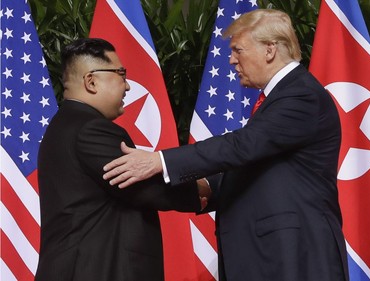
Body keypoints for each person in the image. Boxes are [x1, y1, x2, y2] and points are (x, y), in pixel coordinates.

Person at [102, 9, 350, 281]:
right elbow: (258, 162)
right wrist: (208, 187)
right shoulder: (279, 97)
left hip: (295, 255)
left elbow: (243, 146)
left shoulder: (301, 95)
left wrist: (158, 161)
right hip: (270, 254)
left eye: (238, 50)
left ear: (269, 50)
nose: (231, 60)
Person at [35, 38, 210, 281]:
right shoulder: (90, 128)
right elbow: (145, 188)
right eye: (120, 73)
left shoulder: (65, 125)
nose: (127, 86)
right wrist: (207, 190)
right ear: (91, 81)